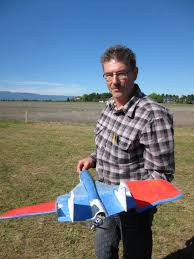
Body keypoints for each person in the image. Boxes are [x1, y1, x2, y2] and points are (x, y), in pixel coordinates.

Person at [77, 45, 174, 259]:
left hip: (134, 210)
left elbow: (161, 175)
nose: (115, 81)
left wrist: (127, 198)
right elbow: (108, 147)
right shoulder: (108, 107)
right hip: (103, 199)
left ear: (135, 73)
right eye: (109, 75)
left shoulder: (153, 115)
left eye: (121, 73)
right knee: (103, 254)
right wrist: (92, 158)